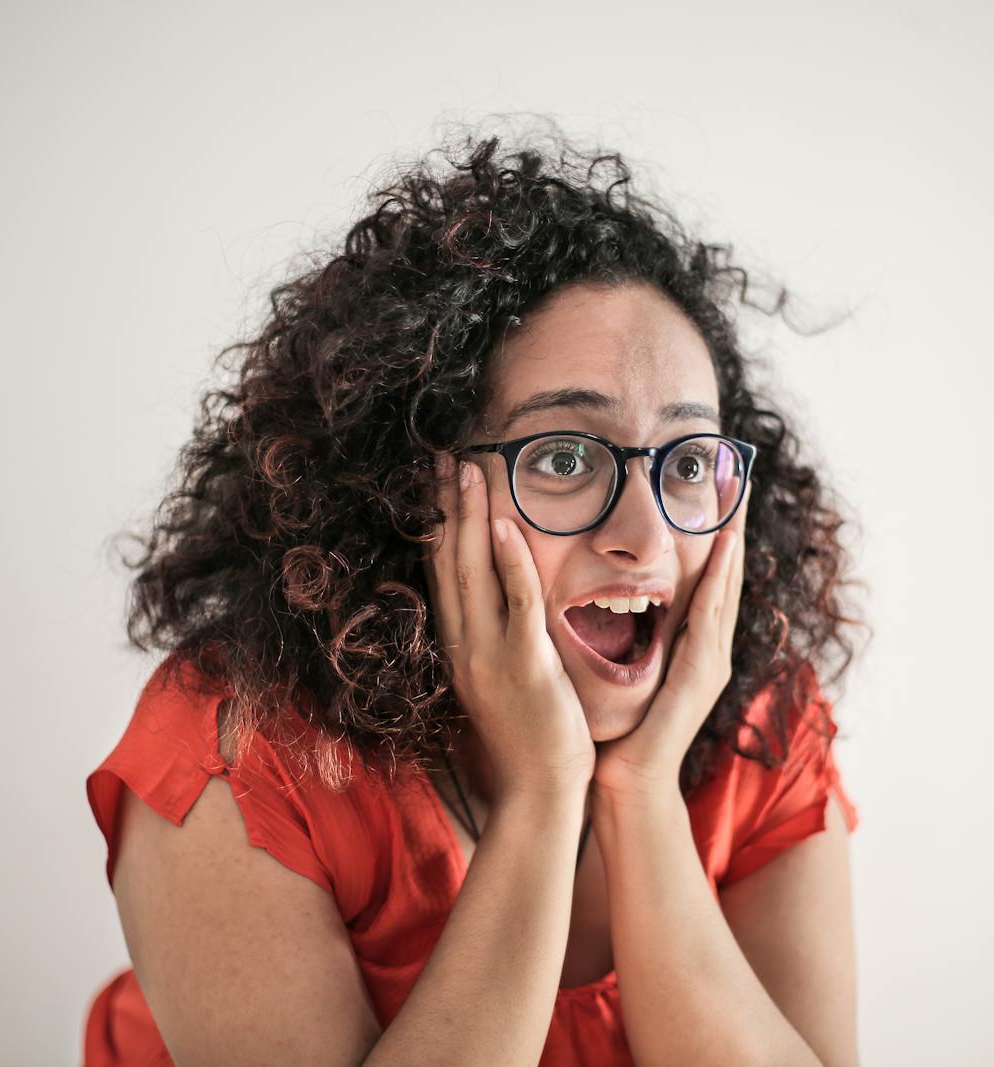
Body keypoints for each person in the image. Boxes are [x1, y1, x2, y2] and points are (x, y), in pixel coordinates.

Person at [82, 122, 865, 1067]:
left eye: (690, 460)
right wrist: (542, 793)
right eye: (566, 456)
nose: (648, 537)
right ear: (418, 490)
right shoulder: (236, 754)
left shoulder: (764, 732)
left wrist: (644, 794)